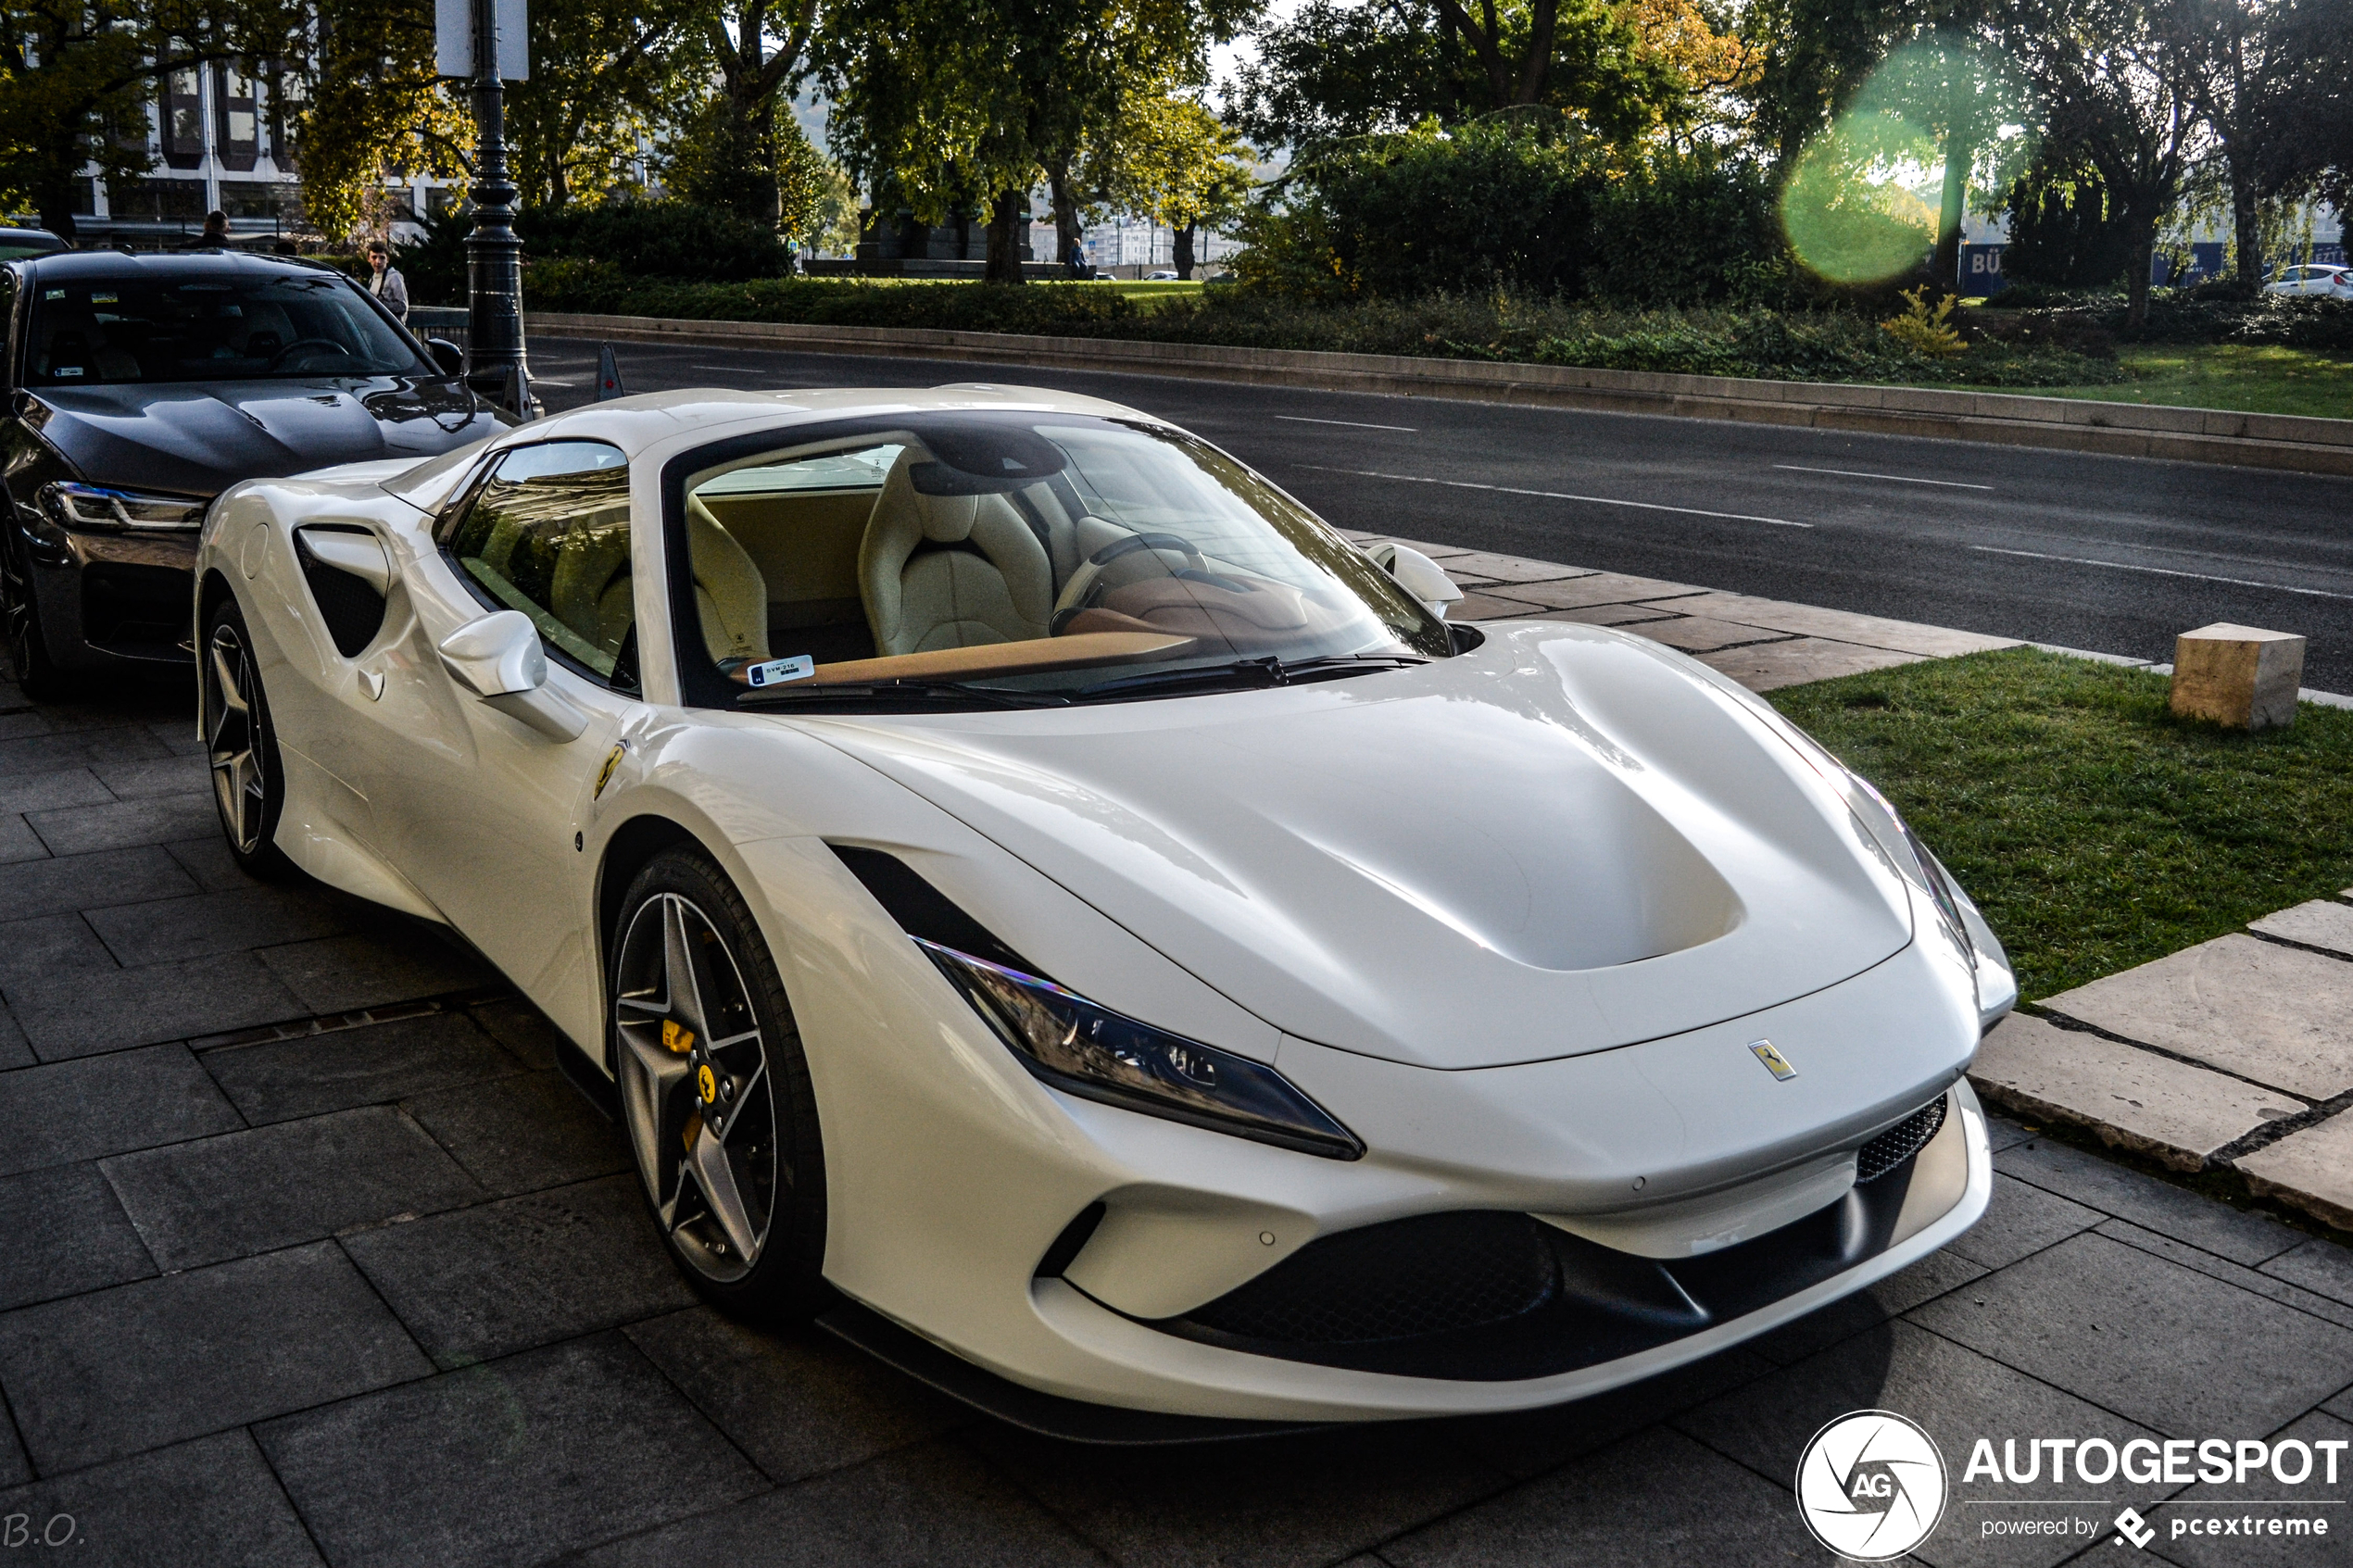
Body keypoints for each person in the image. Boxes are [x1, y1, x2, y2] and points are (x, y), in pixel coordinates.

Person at [366, 239, 409, 323]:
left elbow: (403, 306)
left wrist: (379, 304)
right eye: (374, 257)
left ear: (387, 259)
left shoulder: (394, 277)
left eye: (382, 258)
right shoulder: (372, 279)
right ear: (368, 259)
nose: (378, 262)